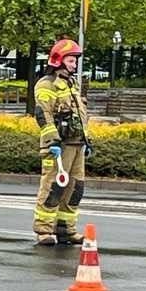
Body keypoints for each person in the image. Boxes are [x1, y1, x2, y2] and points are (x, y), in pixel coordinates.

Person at [33, 38, 92, 245]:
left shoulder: (72, 83)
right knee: (53, 187)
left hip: (76, 144)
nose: (74, 64)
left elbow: (80, 113)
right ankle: (44, 230)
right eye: (71, 60)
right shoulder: (47, 84)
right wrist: (53, 141)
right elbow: (43, 114)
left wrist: (87, 140)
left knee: (75, 188)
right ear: (58, 59)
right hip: (59, 145)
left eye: (75, 61)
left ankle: (66, 229)